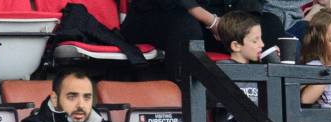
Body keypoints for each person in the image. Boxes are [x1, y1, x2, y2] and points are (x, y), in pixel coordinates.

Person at [120, 0, 286, 80]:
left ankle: (270, 102)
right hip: (159, 14)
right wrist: (212, 22)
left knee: (270, 24)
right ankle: (185, 100)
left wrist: (233, 25)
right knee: (186, 26)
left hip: (220, 21)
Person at [213, 11, 264, 122]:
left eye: (261, 39)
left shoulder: (260, 70)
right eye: (255, 40)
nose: (262, 44)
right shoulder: (222, 69)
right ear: (236, 46)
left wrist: (275, 64)